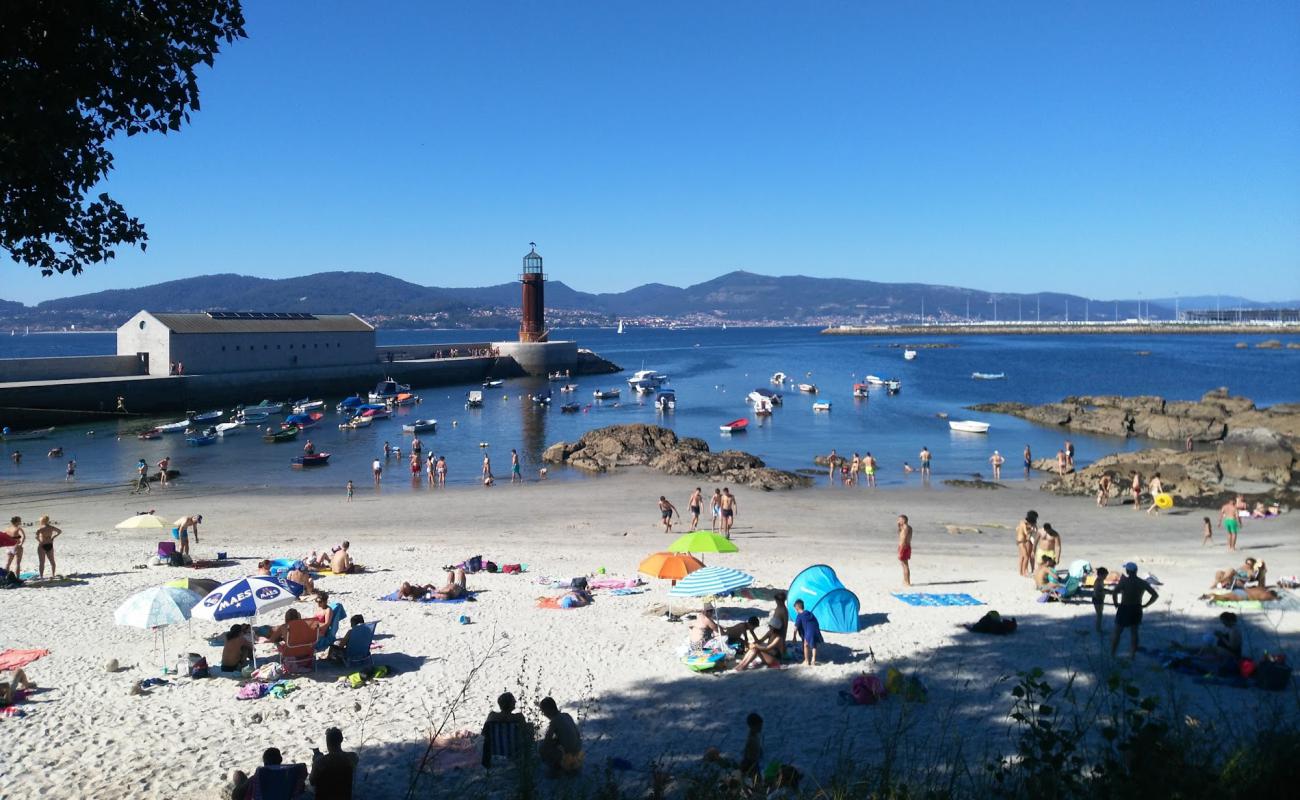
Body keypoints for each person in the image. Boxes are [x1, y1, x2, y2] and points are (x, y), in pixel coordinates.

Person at [1111, 562, 1159, 658]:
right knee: (1134, 632)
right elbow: (1155, 595)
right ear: (1136, 571)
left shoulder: (1124, 582)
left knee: (1117, 632)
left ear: (1128, 571)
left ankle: (1112, 654)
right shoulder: (1142, 582)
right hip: (1136, 608)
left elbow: (1114, 592)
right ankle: (1132, 655)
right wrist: (1146, 605)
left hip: (1124, 608)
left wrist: (1116, 603)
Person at [736, 592, 788, 670]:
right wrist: (752, 635)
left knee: (756, 649)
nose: (769, 627)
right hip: (769, 654)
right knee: (754, 647)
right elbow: (759, 641)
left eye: (770, 626)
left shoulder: (778, 637)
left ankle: (743, 666)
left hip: (775, 659)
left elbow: (767, 648)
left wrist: (756, 646)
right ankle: (742, 664)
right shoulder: (770, 633)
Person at [481, 692, 530, 768]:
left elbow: (483, 735)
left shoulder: (492, 717)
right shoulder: (518, 718)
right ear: (510, 704)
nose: (515, 702)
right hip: (515, 757)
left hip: (495, 757)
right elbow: (526, 735)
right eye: (513, 701)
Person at [237, 747, 307, 800]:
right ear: (280, 760)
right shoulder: (293, 775)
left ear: (264, 763)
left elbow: (237, 794)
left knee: (238, 776)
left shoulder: (258, 777)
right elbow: (301, 790)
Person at [309, 726, 357, 800]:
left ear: (327, 743)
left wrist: (317, 759)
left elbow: (312, 781)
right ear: (341, 740)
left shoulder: (319, 762)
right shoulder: (352, 758)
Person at [538, 696, 583, 774]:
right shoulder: (566, 715)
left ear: (549, 710)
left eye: (544, 711)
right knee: (554, 743)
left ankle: (557, 770)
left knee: (542, 748)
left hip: (569, 757)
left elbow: (547, 741)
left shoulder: (554, 721)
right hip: (579, 755)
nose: (544, 714)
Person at [792, 599, 822, 666]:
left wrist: (794, 636)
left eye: (794, 608)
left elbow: (796, 627)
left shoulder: (799, 615)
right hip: (816, 629)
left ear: (797, 608)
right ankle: (813, 659)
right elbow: (815, 621)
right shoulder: (809, 613)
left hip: (809, 631)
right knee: (813, 644)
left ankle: (806, 660)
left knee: (806, 645)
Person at [740, 712, 764, 777]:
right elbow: (749, 756)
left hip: (753, 764)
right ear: (752, 726)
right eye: (759, 726)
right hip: (750, 766)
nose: (761, 727)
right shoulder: (751, 739)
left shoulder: (754, 736)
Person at [1015, 510, 1038, 577]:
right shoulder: (1024, 523)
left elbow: (1016, 529)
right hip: (1022, 541)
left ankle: (1021, 572)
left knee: (1022, 557)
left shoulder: (1022, 523)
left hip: (1021, 541)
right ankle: (1024, 571)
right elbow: (1026, 533)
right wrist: (1031, 529)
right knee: (1026, 557)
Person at [1092, 566, 1109, 633]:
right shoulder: (1098, 582)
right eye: (1105, 576)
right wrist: (1106, 592)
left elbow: (1102, 590)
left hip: (1100, 599)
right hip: (1097, 599)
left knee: (1100, 614)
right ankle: (1098, 629)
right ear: (1100, 575)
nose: (1105, 577)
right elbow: (1098, 592)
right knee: (1099, 615)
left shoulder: (1101, 580)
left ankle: (1098, 628)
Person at [897, 514, 912, 586]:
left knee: (905, 565)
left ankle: (907, 582)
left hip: (904, 547)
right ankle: (905, 580)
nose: (898, 521)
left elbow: (903, 538)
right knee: (904, 565)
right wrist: (899, 526)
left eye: (899, 520)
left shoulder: (905, 528)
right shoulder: (907, 527)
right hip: (906, 546)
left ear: (903, 520)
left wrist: (901, 549)